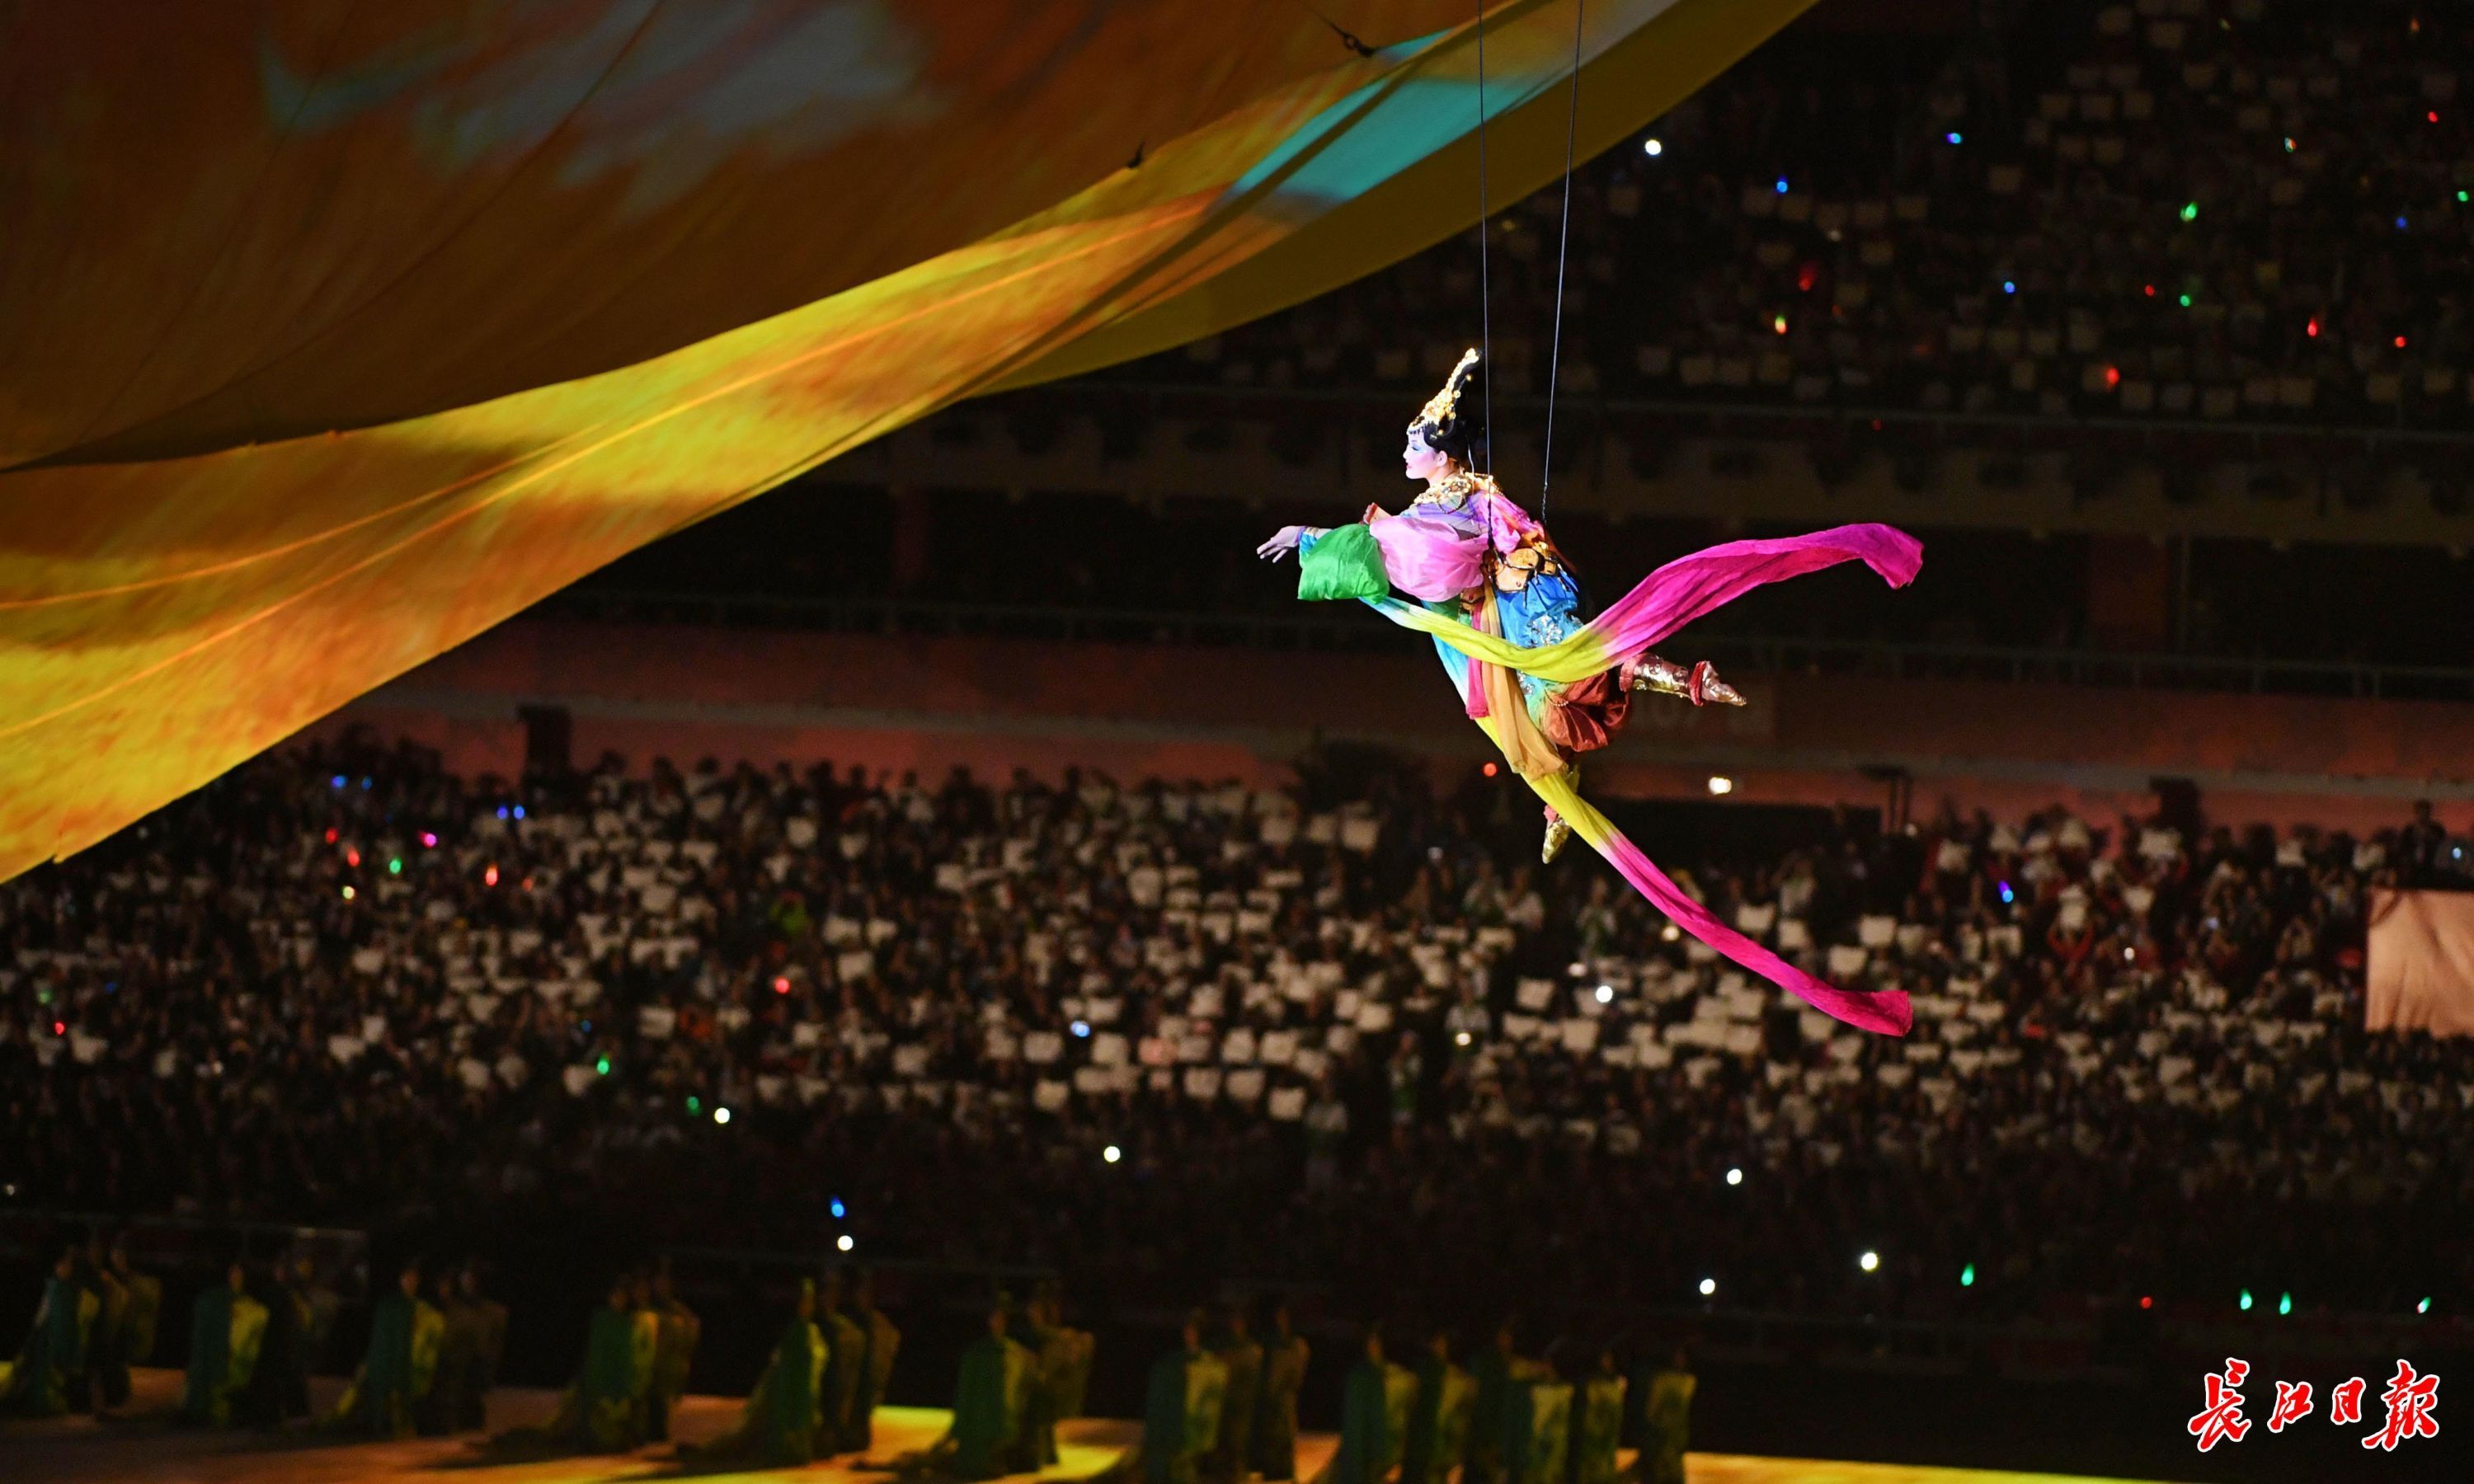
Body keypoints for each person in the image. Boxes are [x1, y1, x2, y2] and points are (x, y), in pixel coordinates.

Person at [1258, 347, 1918, 1036]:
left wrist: (1316, 537)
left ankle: (1677, 685)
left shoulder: (1463, 498)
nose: (1403, 449)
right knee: (1512, 716)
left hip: (1523, 596)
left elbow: (1410, 553)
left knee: (1571, 670)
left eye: (1413, 440)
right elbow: (1397, 547)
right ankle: (1566, 785)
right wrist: (1324, 535)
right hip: (1498, 610)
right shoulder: (1440, 499)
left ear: (1443, 451)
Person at [492, 1274, 658, 1454]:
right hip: (598, 1382)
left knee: (612, 1427)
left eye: (622, 1296)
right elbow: (597, 1353)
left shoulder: (634, 1322)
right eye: (615, 1295)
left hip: (619, 1385)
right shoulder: (604, 1319)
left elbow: (629, 1358)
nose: (618, 1300)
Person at [682, 1278, 829, 1468]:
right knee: (743, 1443)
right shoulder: (795, 1336)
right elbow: (786, 1383)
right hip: (791, 1410)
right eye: (804, 1300)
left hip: (802, 1408)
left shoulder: (810, 1332)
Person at [329, 1258, 444, 1438]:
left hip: (410, 1366)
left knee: (401, 1410)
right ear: (400, 1279)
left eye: (413, 1278)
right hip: (388, 1364)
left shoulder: (421, 1310)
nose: (410, 1281)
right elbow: (382, 1338)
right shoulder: (391, 1306)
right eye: (406, 1277)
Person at [0, 1249, 97, 1417]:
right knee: (39, 1377)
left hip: (57, 1341)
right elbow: (45, 1316)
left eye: (67, 1265)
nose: (65, 1268)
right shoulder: (55, 1288)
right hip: (48, 1341)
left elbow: (70, 1320)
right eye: (62, 1264)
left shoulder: (69, 1291)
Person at [1141, 1309, 1228, 1484]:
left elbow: (1158, 1412)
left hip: (1175, 1445)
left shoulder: (1171, 1367)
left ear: (1191, 1332)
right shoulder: (1219, 1367)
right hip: (1202, 1445)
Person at [180, 1260, 269, 1428]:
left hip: (236, 1366)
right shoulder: (215, 1301)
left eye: (239, 1274)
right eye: (233, 1273)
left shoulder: (255, 1309)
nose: (235, 1278)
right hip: (220, 1362)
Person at [1251, 1301, 1307, 1482]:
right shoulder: (1269, 1344)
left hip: (1284, 1400)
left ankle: (1284, 1472)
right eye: (1278, 1315)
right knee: (1270, 1439)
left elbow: (1295, 1375)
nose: (1280, 1320)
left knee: (1284, 1437)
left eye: (1284, 1315)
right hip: (1270, 1401)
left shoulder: (1296, 1345)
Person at [848, 1268, 901, 1453]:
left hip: (867, 1374)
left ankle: (858, 1436)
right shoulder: (855, 1321)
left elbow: (889, 1340)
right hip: (857, 1374)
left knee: (862, 1408)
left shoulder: (875, 1322)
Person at [645, 1259, 698, 1444]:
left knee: (661, 1404)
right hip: (650, 1367)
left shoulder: (679, 1312)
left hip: (668, 1369)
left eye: (665, 1282)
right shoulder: (647, 1309)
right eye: (659, 1281)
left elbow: (690, 1331)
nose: (662, 1286)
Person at [815, 1268, 866, 1458]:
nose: (833, 1296)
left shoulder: (840, 1325)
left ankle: (831, 1437)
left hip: (835, 1379)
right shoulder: (819, 1324)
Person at [1211, 1302, 1264, 1484]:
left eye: (1238, 1320)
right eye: (1232, 1320)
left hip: (1241, 1408)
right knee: (1223, 1448)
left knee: (1237, 1447)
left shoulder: (1250, 1348)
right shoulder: (1222, 1345)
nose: (1235, 1324)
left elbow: (1252, 1379)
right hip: (1223, 1406)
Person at [1634, 1347, 1696, 1484]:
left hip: (1673, 1436)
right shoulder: (1664, 1381)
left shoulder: (1686, 1381)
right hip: (1661, 1435)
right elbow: (1653, 1408)